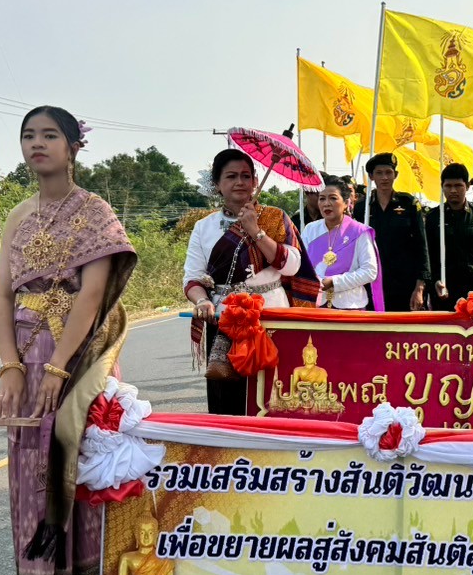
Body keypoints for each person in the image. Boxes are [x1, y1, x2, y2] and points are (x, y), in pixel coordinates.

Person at [0, 106, 138, 575]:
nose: (37, 143)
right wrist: (10, 366)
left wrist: (59, 366)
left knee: (78, 467)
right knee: (31, 473)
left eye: (50, 135)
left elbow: (92, 296)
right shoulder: (18, 215)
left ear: (74, 146)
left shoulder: (95, 212)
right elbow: (1, 294)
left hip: (78, 357)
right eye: (28, 135)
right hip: (27, 359)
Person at [184, 149, 321, 415]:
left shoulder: (275, 217)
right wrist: (201, 301)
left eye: (246, 176)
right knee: (228, 396)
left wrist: (255, 231)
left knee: (274, 391)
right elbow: (193, 276)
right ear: (217, 184)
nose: (240, 182)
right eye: (231, 176)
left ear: (255, 181)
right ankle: (229, 439)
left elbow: (292, 266)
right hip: (225, 317)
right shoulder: (204, 226)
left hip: (271, 314)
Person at [353, 152, 430, 311]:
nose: (384, 178)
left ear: (396, 175)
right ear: (371, 176)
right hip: (372, 281)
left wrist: (420, 286)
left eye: (389, 172)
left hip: (404, 282)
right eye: (379, 173)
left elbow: (421, 246)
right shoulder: (362, 207)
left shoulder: (409, 203)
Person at [426, 162, 473, 311]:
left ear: (467, 186)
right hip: (445, 290)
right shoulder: (433, 217)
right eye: (448, 186)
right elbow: (428, 255)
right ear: (442, 187)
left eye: (458, 185)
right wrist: (434, 281)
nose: (453, 190)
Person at [300, 177, 382, 310]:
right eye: (322, 199)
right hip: (315, 304)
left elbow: (369, 271)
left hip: (350, 306)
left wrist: (334, 282)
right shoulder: (310, 229)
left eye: (333, 198)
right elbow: (302, 264)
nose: (326, 203)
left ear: (346, 202)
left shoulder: (359, 231)